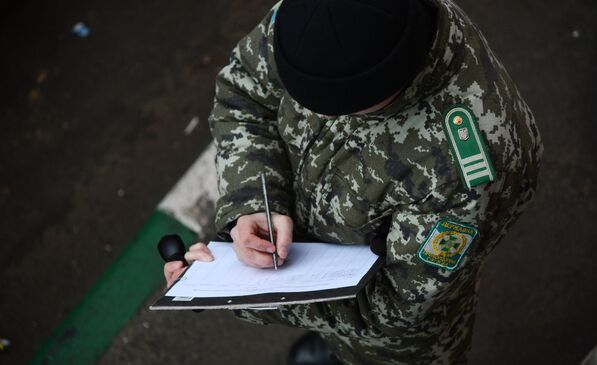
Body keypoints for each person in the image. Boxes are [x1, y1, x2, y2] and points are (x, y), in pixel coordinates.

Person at [164, 0, 543, 363]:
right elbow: (244, 92)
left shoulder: (468, 171)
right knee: (339, 342)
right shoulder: (315, 18)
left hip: (397, 347)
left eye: (326, 107)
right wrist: (255, 200)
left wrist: (238, 290)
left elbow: (394, 306)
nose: (307, 114)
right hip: (325, 269)